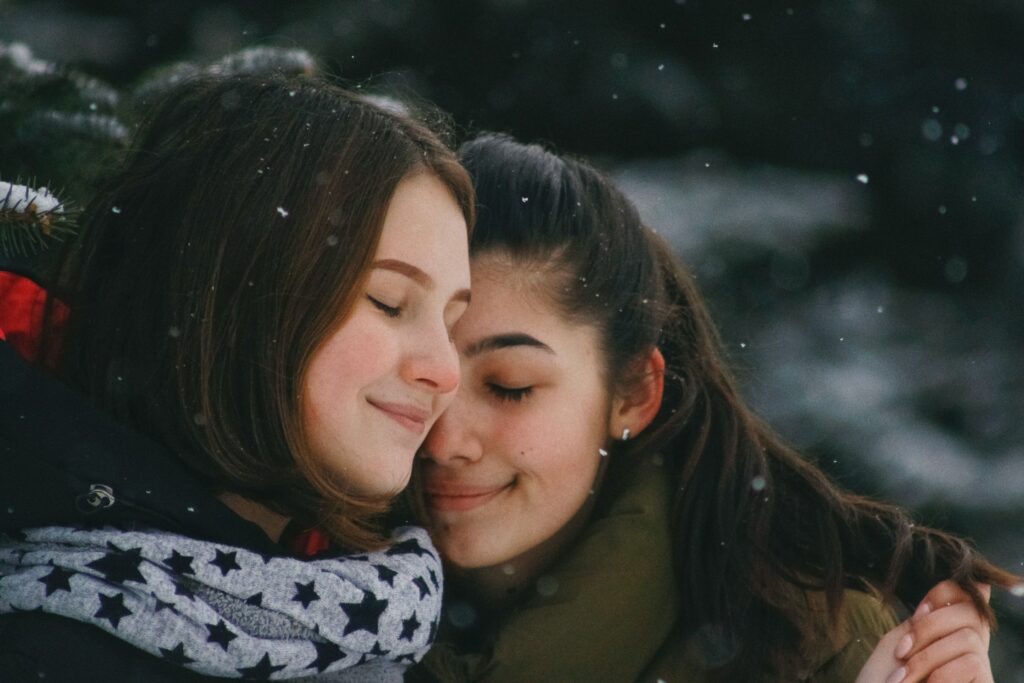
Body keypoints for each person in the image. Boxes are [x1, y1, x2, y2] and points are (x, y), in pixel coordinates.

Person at [409, 134, 1020, 682]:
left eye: (510, 386)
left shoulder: (809, 645)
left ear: (633, 394)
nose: (443, 440)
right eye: (414, 377)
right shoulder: (347, 616)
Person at [0, 73, 473, 681]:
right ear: (231, 300)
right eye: (389, 301)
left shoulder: (382, 619)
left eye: (453, 325)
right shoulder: (49, 656)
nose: (445, 371)